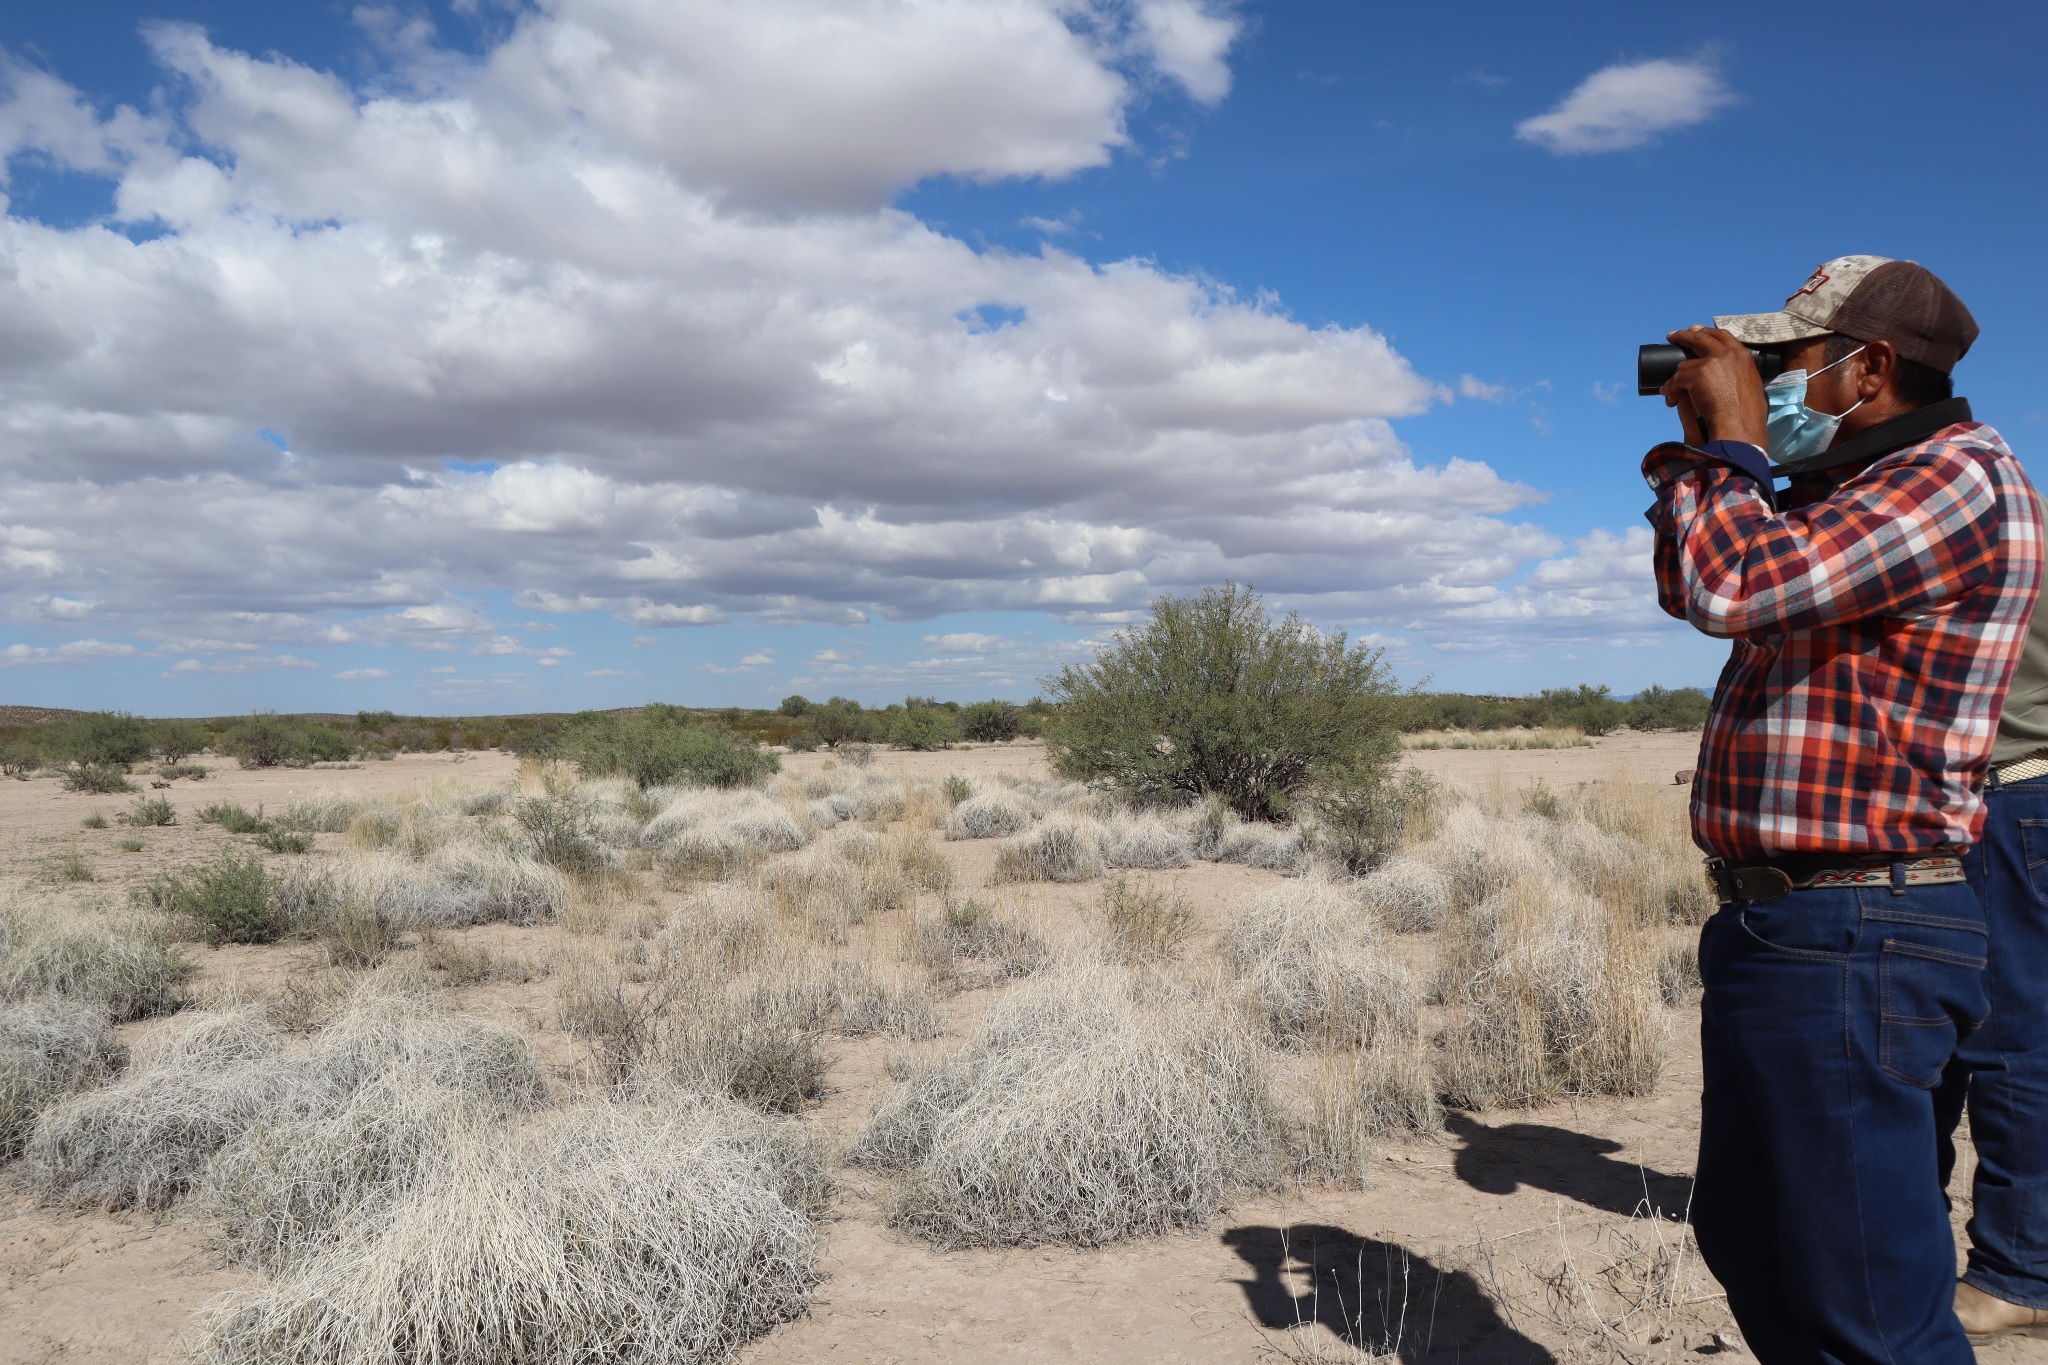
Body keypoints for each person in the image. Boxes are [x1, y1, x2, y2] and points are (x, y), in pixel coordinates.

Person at [1643, 254, 2041, 1364]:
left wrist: (1728, 452)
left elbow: (1731, 589)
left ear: (1867, 368)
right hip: (1791, 928)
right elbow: (1689, 584)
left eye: (1785, 362)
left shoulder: (1955, 477)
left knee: (1863, 1301)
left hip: (1861, 926)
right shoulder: (1847, 493)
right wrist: (1703, 452)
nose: (1763, 383)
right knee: (1757, 1237)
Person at [1938, 585, 2048, 1343]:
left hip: (1997, 797)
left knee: (2009, 1042)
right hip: (1998, 797)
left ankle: (2020, 1273)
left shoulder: (1947, 508)